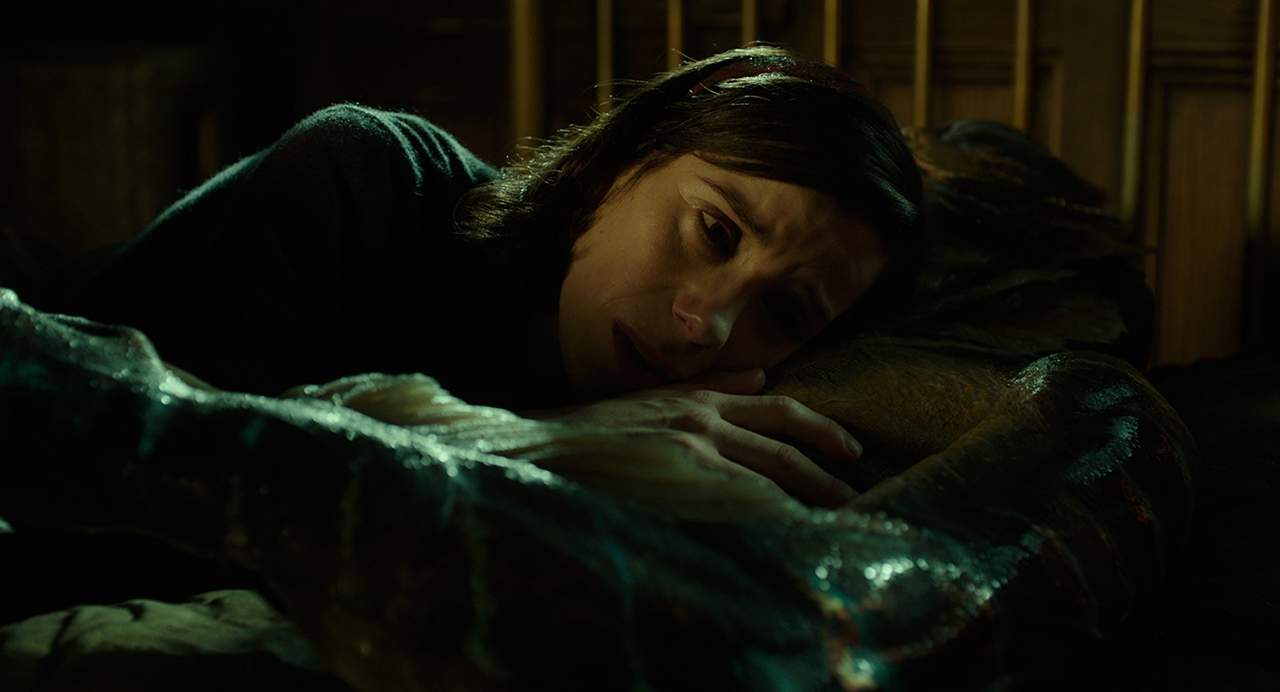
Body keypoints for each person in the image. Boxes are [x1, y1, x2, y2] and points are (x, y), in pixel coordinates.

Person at [23, 46, 923, 508]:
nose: (710, 325)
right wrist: (544, 441)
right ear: (627, 161)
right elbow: (132, 456)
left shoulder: (724, 410)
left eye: (783, 311)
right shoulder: (366, 178)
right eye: (714, 232)